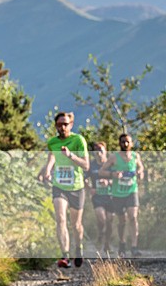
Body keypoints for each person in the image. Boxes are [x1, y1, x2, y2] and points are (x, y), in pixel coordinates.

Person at [38, 111, 89, 268]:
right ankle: (65, 256)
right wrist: (46, 169)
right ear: (56, 126)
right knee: (60, 219)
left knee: (76, 225)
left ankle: (78, 249)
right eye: (59, 124)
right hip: (59, 186)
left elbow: (86, 165)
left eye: (65, 124)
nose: (62, 127)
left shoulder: (78, 140)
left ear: (71, 125)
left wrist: (71, 155)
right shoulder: (52, 142)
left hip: (77, 187)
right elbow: (52, 157)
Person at [100, 134, 145, 257]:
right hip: (118, 193)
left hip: (132, 191)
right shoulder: (114, 157)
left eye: (127, 142)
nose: (125, 144)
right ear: (119, 143)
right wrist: (113, 174)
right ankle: (122, 243)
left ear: (131, 143)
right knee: (122, 220)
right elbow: (102, 171)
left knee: (133, 217)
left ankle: (134, 246)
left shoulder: (136, 156)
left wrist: (140, 173)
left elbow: (141, 168)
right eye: (123, 142)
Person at [86, 142, 113, 256]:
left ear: (105, 151)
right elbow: (84, 179)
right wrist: (90, 188)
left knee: (110, 220)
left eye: (101, 150)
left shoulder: (111, 164)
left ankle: (107, 244)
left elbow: (118, 177)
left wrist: (108, 182)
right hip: (97, 196)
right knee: (102, 218)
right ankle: (100, 234)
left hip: (110, 195)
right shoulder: (91, 165)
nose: (98, 153)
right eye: (96, 151)